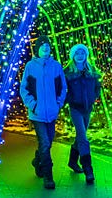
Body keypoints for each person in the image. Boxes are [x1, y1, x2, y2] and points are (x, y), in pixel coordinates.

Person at [19, 39, 67, 189]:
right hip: (37, 114)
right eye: (42, 46)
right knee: (45, 142)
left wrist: (58, 104)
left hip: (52, 113)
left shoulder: (56, 66)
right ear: (37, 49)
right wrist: (33, 105)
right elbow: (24, 89)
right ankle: (48, 176)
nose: (45, 48)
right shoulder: (30, 66)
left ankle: (37, 160)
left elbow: (63, 87)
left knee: (48, 142)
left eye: (47, 46)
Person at [64, 43, 101, 185]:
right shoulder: (67, 72)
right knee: (83, 138)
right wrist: (69, 100)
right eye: (77, 53)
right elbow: (61, 89)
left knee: (80, 136)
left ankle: (72, 162)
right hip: (75, 108)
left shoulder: (91, 70)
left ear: (86, 55)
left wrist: (94, 97)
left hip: (88, 108)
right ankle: (88, 169)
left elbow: (98, 87)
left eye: (82, 53)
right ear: (73, 55)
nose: (80, 55)